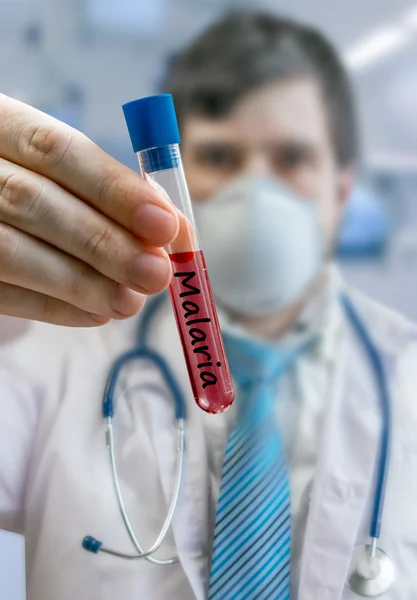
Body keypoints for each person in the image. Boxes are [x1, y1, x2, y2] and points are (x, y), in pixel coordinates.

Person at [0, 10, 417, 600]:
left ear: (342, 190)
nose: (256, 192)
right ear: (169, 178)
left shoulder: (408, 375)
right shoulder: (54, 359)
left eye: (292, 159)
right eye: (220, 158)